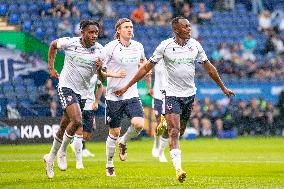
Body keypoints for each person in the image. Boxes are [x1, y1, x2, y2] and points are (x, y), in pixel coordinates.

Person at [114, 16, 235, 182]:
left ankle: (165, 123)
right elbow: (145, 69)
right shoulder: (165, 46)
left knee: (181, 131)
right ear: (176, 30)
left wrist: (223, 87)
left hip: (189, 95)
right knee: (174, 132)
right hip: (171, 94)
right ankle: (178, 170)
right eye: (185, 27)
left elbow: (210, 69)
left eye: (189, 26)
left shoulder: (195, 45)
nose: (189, 29)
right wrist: (127, 85)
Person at [43, 20, 104, 179]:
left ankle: (50, 157)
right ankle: (63, 151)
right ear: (82, 32)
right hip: (66, 86)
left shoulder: (100, 50)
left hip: (83, 93)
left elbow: (102, 79)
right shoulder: (70, 42)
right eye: (91, 32)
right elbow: (53, 45)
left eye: (96, 32)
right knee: (77, 120)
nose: (94, 35)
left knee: (64, 123)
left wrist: (99, 68)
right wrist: (51, 67)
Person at [96, 18, 148, 177]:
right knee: (114, 132)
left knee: (139, 124)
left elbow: (143, 64)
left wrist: (145, 69)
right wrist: (115, 74)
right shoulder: (110, 48)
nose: (130, 29)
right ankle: (109, 164)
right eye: (126, 27)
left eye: (131, 27)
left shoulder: (138, 46)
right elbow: (100, 74)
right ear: (118, 30)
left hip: (131, 93)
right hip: (113, 96)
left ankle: (124, 141)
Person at [71, 67, 127, 168]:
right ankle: (79, 162)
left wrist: (96, 102)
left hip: (89, 105)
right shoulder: (79, 70)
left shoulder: (96, 73)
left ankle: (75, 142)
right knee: (78, 130)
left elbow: (100, 87)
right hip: (77, 102)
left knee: (86, 136)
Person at [148, 60, 168, 163]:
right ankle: (156, 145)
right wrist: (149, 87)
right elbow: (148, 71)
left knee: (167, 125)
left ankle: (161, 152)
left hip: (170, 96)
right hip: (158, 96)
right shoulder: (158, 60)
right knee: (160, 123)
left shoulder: (175, 60)